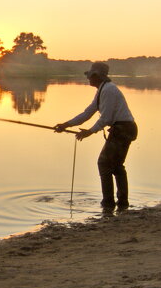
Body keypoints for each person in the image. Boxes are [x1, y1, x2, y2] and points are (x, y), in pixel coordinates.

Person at [54, 61, 138, 212]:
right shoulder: (101, 90)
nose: (88, 78)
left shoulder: (108, 91)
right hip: (121, 129)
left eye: (91, 75)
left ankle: (109, 203)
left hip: (123, 130)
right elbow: (87, 113)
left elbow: (105, 118)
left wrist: (89, 132)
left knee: (104, 163)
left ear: (98, 77)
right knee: (116, 166)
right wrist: (65, 125)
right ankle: (121, 203)